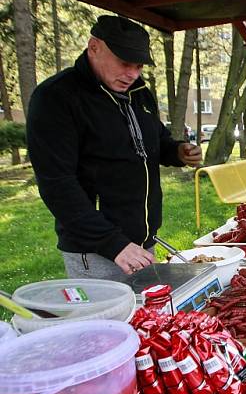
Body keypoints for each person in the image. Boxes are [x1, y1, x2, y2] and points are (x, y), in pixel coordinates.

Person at [27, 15, 202, 281]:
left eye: (139, 65)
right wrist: (112, 242)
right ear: (94, 46)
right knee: (107, 321)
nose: (132, 74)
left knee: (147, 319)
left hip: (143, 243)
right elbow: (57, 184)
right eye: (124, 63)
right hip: (97, 249)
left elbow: (156, 140)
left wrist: (177, 151)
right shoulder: (56, 97)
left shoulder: (139, 93)